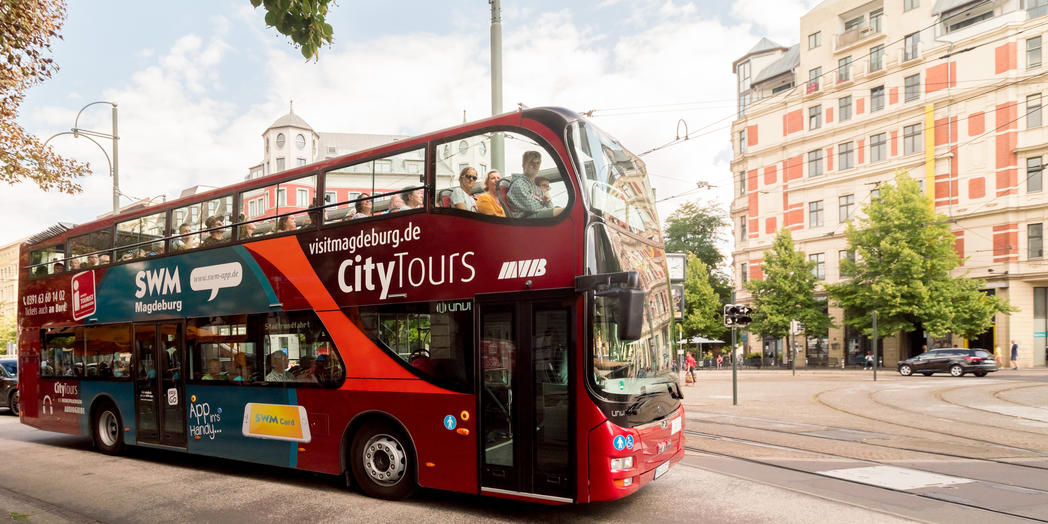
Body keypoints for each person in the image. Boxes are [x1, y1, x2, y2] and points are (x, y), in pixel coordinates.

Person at [506, 151, 563, 218]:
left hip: (535, 218)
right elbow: (532, 207)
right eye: (531, 162)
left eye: (537, 163)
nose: (535, 166)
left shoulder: (535, 188)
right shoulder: (518, 185)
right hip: (524, 222)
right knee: (564, 211)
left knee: (562, 210)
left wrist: (547, 201)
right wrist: (543, 202)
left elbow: (550, 207)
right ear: (524, 166)